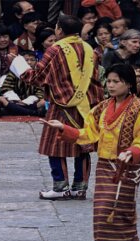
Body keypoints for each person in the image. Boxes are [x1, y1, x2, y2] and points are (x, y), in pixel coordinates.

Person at [45, 64, 140, 241]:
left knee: (113, 215)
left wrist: (132, 152)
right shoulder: (102, 108)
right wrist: (64, 129)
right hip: (105, 167)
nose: (111, 85)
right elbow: (89, 134)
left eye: (116, 81)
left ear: (128, 84)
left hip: (127, 168)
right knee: (104, 217)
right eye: (109, 81)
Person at [16, 14, 103, 200]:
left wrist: (20, 68)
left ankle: (60, 187)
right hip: (87, 103)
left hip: (62, 103)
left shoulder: (55, 50)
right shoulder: (90, 49)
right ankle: (80, 188)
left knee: (54, 145)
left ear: (60, 30)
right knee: (83, 143)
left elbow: (37, 77)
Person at [0, 50, 46, 116]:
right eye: (26, 60)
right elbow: (6, 88)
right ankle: (31, 112)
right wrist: (16, 100)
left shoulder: (39, 74)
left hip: (31, 103)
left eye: (32, 60)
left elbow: (40, 92)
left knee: (43, 103)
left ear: (36, 62)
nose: (29, 62)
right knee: (2, 101)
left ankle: (22, 110)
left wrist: (26, 102)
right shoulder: (13, 73)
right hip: (14, 102)